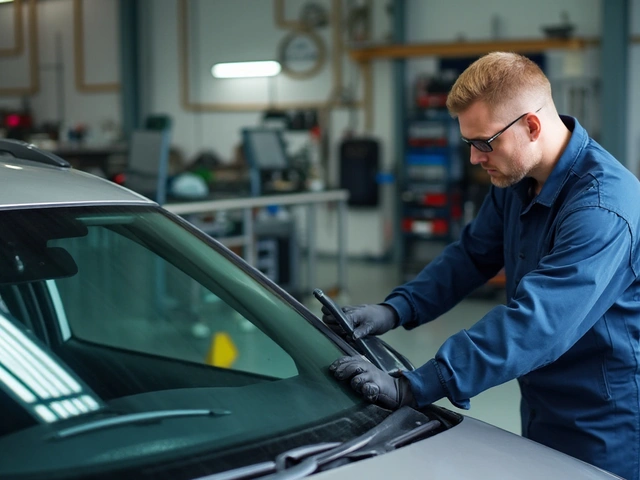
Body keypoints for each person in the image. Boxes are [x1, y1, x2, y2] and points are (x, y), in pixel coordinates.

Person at [325, 51, 640, 480]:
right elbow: (472, 254)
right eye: (469, 143)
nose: (475, 159)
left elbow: (538, 324)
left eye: (484, 143)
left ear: (531, 125)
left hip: (605, 415)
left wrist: (413, 386)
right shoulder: (517, 179)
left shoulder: (603, 207)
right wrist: (395, 309)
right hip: (540, 394)